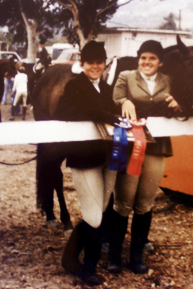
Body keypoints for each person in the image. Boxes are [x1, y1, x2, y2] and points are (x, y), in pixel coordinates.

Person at [108, 40, 179, 275]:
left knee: (145, 202)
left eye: (152, 58)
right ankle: (114, 256)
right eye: (143, 58)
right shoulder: (126, 77)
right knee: (124, 201)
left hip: (157, 148)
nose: (147, 62)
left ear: (160, 61)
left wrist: (178, 105)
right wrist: (124, 100)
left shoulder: (169, 81)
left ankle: (136, 256)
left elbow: (180, 105)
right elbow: (115, 97)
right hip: (130, 147)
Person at [55, 41, 122, 286]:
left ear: (105, 64)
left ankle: (70, 257)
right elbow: (64, 112)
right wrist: (98, 114)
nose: (95, 66)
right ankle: (88, 269)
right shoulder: (74, 85)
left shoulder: (107, 88)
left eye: (99, 62)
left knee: (101, 212)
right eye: (90, 62)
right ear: (82, 64)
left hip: (107, 157)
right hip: (84, 158)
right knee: (94, 216)